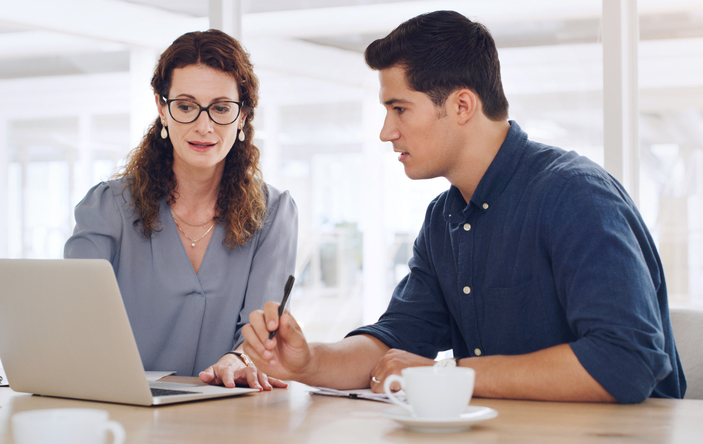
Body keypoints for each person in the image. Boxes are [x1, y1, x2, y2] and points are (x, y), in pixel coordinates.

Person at [242, 10, 685, 403]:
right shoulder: (443, 219)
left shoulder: (576, 196)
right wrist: (307, 362)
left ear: (461, 105)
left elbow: (626, 359)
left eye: (399, 108)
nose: (385, 132)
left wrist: (446, 373)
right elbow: (396, 342)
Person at [65, 30, 297, 391]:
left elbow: (258, 335)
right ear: (162, 108)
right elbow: (75, 325)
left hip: (228, 414)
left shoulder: (274, 213)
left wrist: (239, 359)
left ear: (243, 116)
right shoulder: (107, 208)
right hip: (120, 413)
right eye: (186, 106)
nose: (203, 127)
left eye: (221, 108)